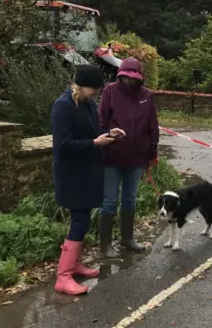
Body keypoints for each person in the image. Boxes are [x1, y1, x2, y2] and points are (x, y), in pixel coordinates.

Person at [51, 65, 126, 295]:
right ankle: (63, 277)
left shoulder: (87, 104)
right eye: (92, 88)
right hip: (72, 175)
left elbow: (97, 129)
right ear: (80, 85)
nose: (95, 93)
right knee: (80, 221)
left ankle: (74, 265)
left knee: (82, 219)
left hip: (88, 172)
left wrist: (110, 133)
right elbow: (63, 146)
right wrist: (95, 144)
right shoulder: (62, 107)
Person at [98, 58, 160, 259]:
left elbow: (152, 127)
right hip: (112, 156)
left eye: (132, 78)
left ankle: (127, 238)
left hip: (137, 157)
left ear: (139, 78)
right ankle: (105, 244)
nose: (128, 82)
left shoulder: (147, 96)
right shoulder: (110, 91)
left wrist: (152, 153)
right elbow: (100, 121)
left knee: (129, 198)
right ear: (120, 75)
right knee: (109, 200)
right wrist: (108, 134)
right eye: (125, 78)